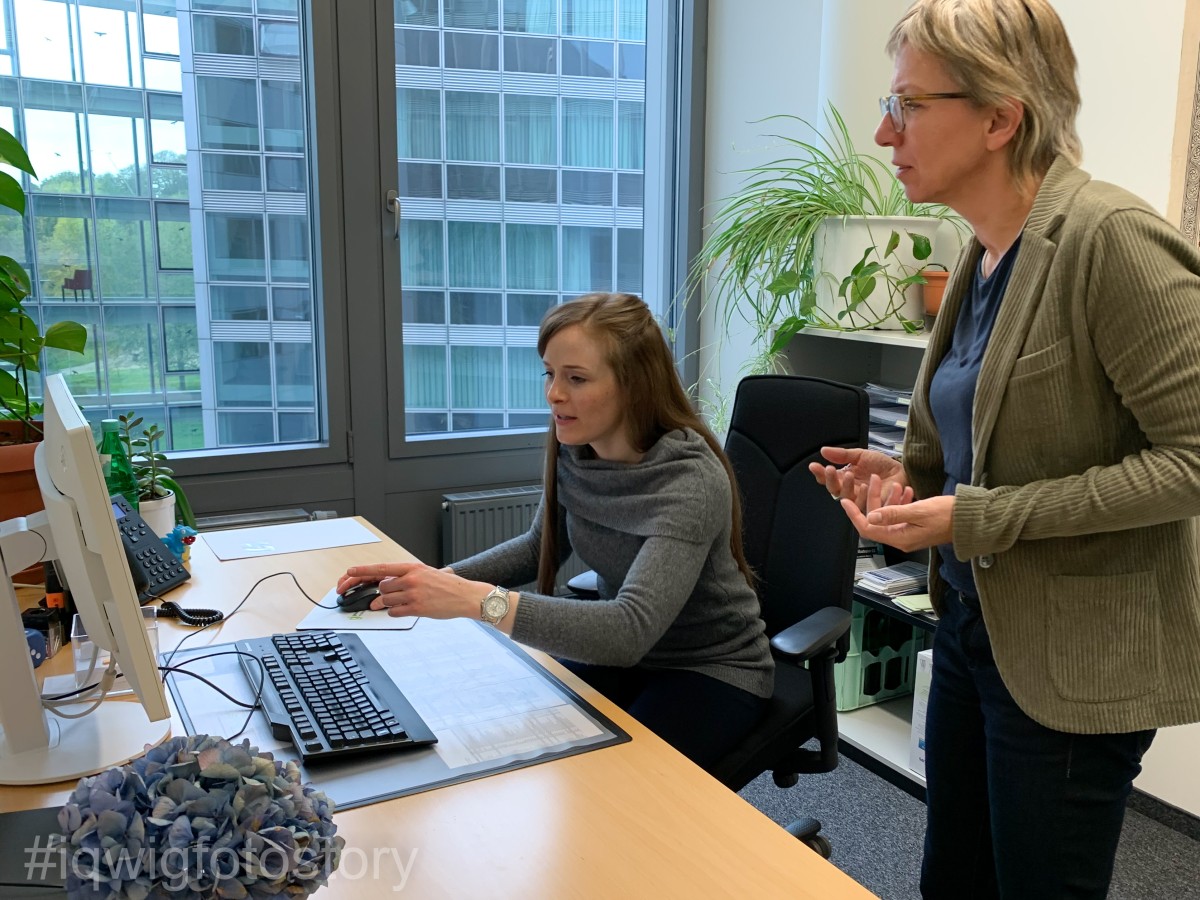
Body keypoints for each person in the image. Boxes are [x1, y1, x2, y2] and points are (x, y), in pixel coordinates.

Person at [810, 1, 1200, 897]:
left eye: (907, 106)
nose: (882, 131)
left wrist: (976, 515)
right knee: (952, 880)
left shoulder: (1109, 240)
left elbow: (1191, 460)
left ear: (999, 116)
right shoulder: (982, 252)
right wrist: (913, 478)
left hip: (1073, 663)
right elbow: (1004, 443)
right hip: (977, 634)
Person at [339, 292, 773, 769]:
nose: (553, 393)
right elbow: (537, 549)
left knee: (618, 786)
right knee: (521, 743)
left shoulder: (689, 481)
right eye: (549, 373)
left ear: (635, 385)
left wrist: (475, 600)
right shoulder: (577, 447)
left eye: (576, 378)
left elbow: (627, 631)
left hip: (712, 668)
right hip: (629, 659)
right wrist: (426, 583)